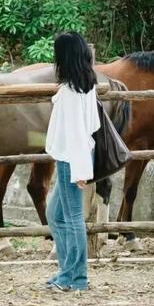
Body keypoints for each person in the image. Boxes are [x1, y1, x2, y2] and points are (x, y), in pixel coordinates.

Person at [45, 31, 100, 292]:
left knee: (72, 217)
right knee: (54, 214)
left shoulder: (70, 92)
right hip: (73, 156)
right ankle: (69, 273)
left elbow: (78, 133)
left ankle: (74, 278)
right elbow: (93, 125)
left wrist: (80, 170)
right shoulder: (87, 87)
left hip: (71, 159)